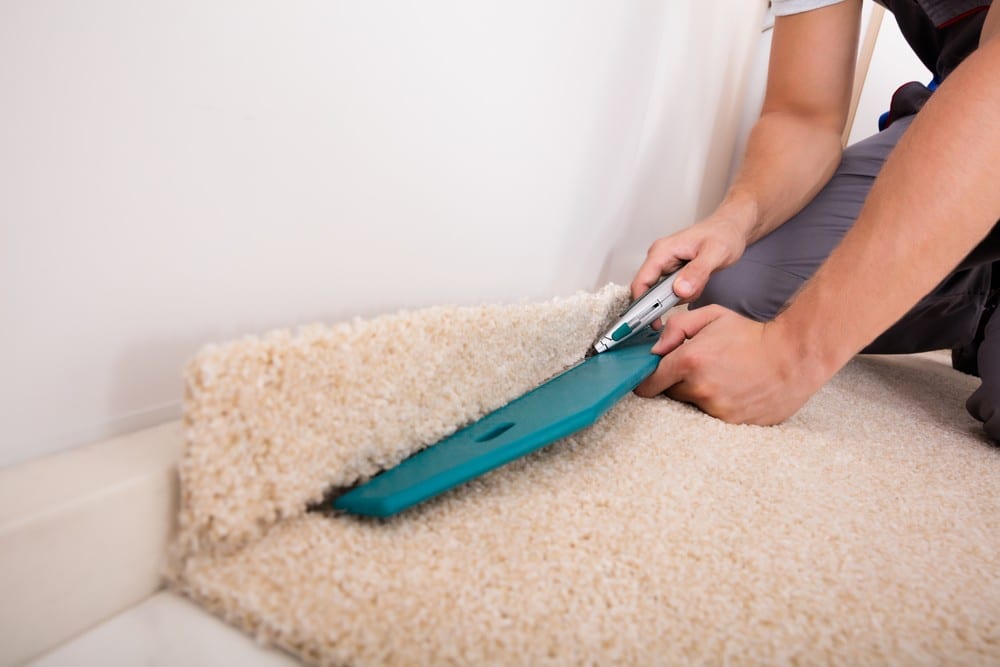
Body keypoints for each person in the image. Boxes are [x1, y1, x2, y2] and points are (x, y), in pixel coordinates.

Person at [630, 0, 1000, 439]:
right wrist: (735, 219)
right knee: (737, 289)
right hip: (966, 121)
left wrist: (793, 354)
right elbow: (804, 115)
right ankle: (980, 292)